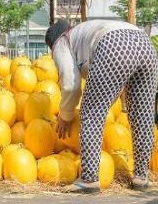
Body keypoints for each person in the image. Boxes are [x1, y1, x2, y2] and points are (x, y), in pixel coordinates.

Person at [46, 19, 158, 193]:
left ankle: (89, 178)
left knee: (90, 112)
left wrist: (65, 115)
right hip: (144, 44)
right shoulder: (82, 32)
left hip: (115, 44)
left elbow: (70, 84)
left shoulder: (61, 41)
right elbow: (112, 83)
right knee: (142, 114)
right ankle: (141, 177)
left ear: (52, 43)